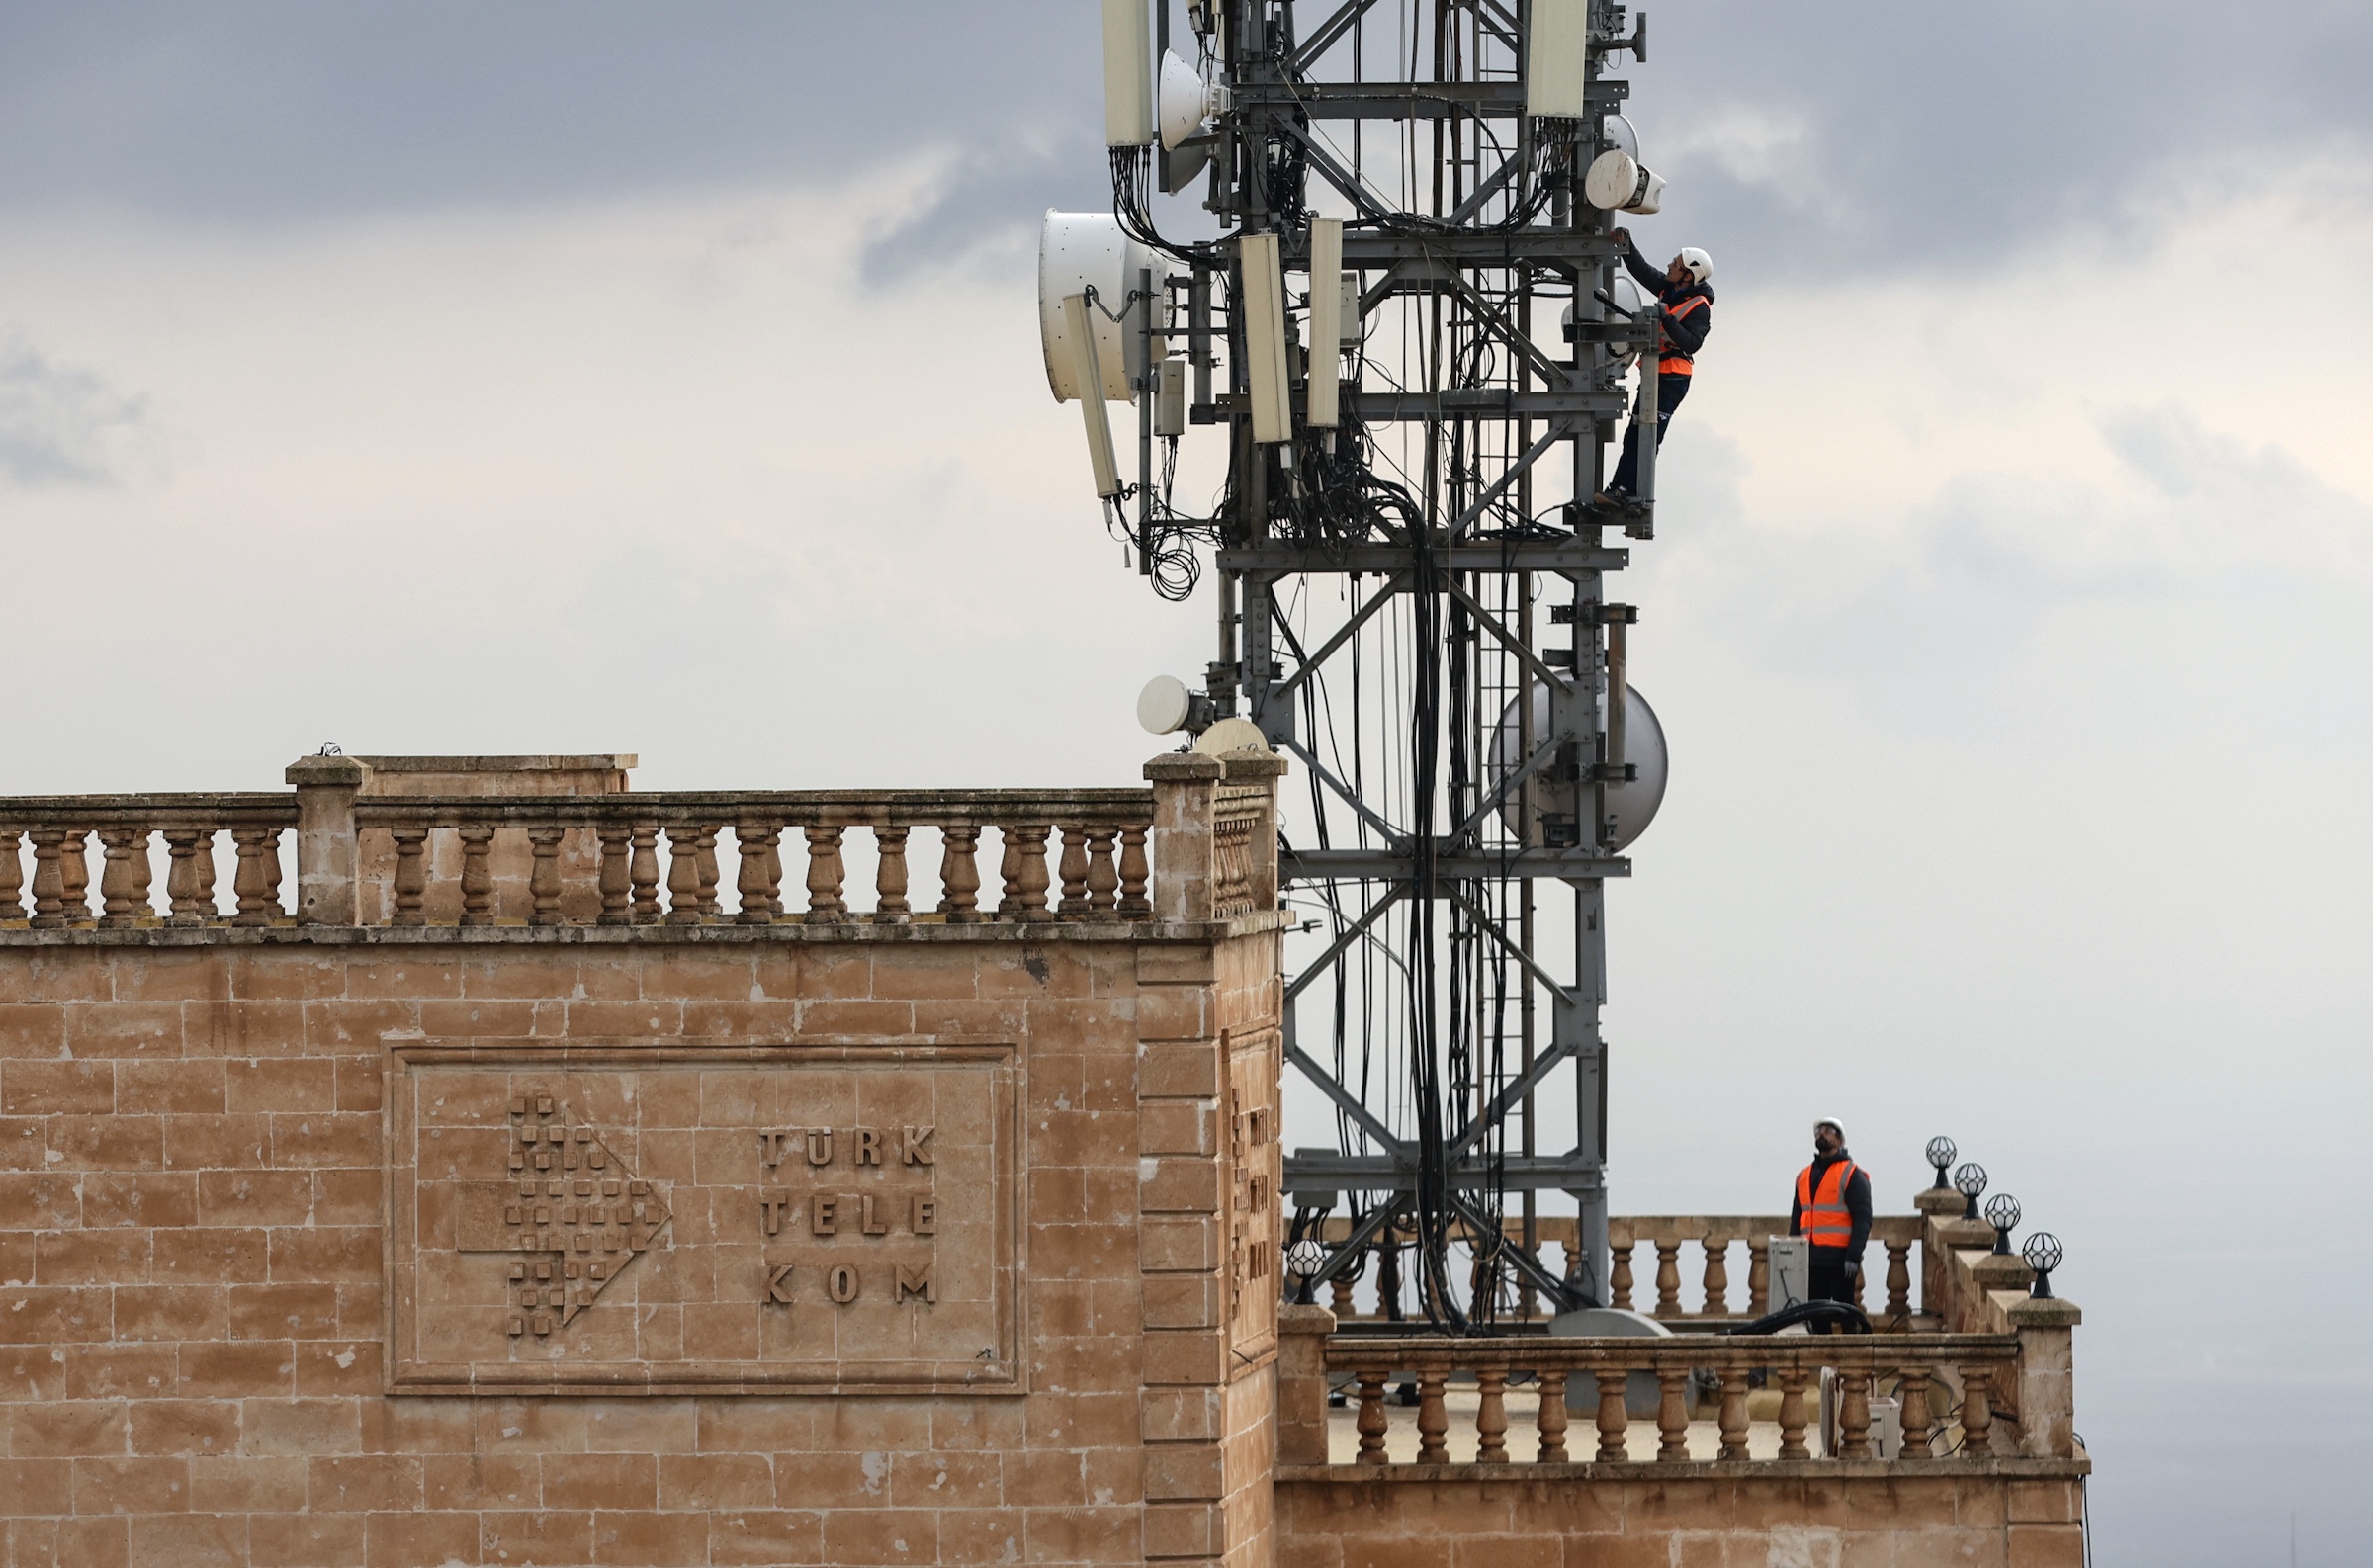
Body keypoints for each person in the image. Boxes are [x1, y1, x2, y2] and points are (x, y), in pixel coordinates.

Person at [1597, 228, 1714, 505]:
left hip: (1672, 379)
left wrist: (1668, 319)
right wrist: (1627, 245)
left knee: (1648, 435)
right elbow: (1643, 271)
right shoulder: (1670, 289)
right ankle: (1620, 489)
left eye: (1676, 265)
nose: (1669, 266)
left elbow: (1692, 343)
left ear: (1689, 276)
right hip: (1655, 374)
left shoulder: (1699, 306)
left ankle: (1630, 491)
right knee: (1635, 433)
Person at [1790, 1117, 1872, 1316]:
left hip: (1840, 1260)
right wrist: (1792, 1250)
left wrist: (1853, 1255)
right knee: (1816, 1316)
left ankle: (1852, 1346)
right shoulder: (1804, 1176)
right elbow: (1796, 1219)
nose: (1821, 1134)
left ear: (1839, 1141)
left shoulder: (1851, 1174)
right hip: (1811, 1258)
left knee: (1846, 1314)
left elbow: (1863, 1218)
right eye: (1818, 1131)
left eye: (1827, 1131)